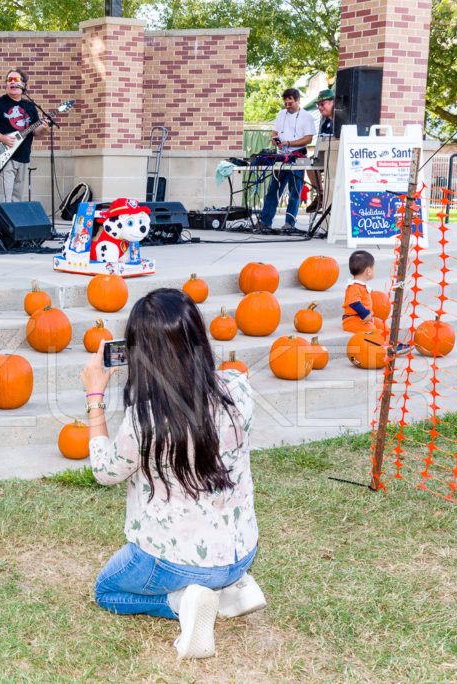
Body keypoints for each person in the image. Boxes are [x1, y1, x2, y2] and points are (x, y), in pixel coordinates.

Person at [80, 288, 265, 660]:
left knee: (107, 591)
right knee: (217, 570)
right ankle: (231, 591)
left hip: (173, 561)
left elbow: (104, 471)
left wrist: (94, 398)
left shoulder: (144, 420)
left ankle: (184, 600)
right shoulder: (239, 390)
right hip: (241, 551)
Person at [0, 68, 48, 203]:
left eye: (16, 80)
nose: (12, 82)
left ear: (23, 85)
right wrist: (3, 138)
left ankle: (12, 225)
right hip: (3, 156)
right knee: (4, 198)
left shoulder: (30, 106)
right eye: (9, 80)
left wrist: (45, 128)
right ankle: (0, 224)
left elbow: (36, 131)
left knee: (16, 199)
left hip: (23, 157)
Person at [256, 88, 316, 231]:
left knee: (295, 192)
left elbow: (309, 138)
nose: (288, 106)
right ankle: (265, 222)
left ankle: (290, 223)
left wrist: (289, 143)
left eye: (290, 103)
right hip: (281, 156)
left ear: (297, 100)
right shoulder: (280, 114)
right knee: (273, 190)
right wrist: (274, 139)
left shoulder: (306, 116)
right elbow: (274, 133)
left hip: (298, 155)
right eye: (286, 103)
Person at [343, 250, 389, 335]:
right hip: (353, 320)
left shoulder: (361, 286)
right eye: (373, 268)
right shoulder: (354, 286)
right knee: (372, 331)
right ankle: (385, 346)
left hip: (365, 318)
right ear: (368, 271)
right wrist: (365, 313)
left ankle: (392, 343)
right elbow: (354, 303)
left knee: (383, 326)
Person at [306, 88, 334, 213]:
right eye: (318, 105)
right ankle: (321, 194)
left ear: (332, 102)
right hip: (325, 155)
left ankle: (323, 196)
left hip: (336, 157)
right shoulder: (323, 120)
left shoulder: (340, 118)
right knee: (310, 163)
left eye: (322, 104)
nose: (320, 108)